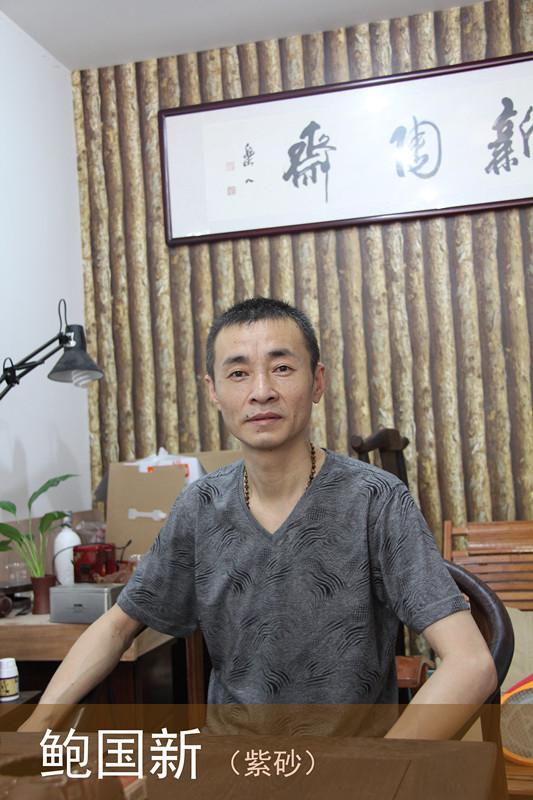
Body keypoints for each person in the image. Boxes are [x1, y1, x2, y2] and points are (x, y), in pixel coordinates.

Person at [20, 297, 496, 737]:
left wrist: (380, 772)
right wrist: (32, 730)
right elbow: (116, 627)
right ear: (214, 391)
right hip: (235, 767)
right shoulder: (200, 506)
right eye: (239, 373)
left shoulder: (376, 500)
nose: (261, 392)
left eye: (282, 368)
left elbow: (471, 664)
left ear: (318, 381)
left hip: (349, 768)